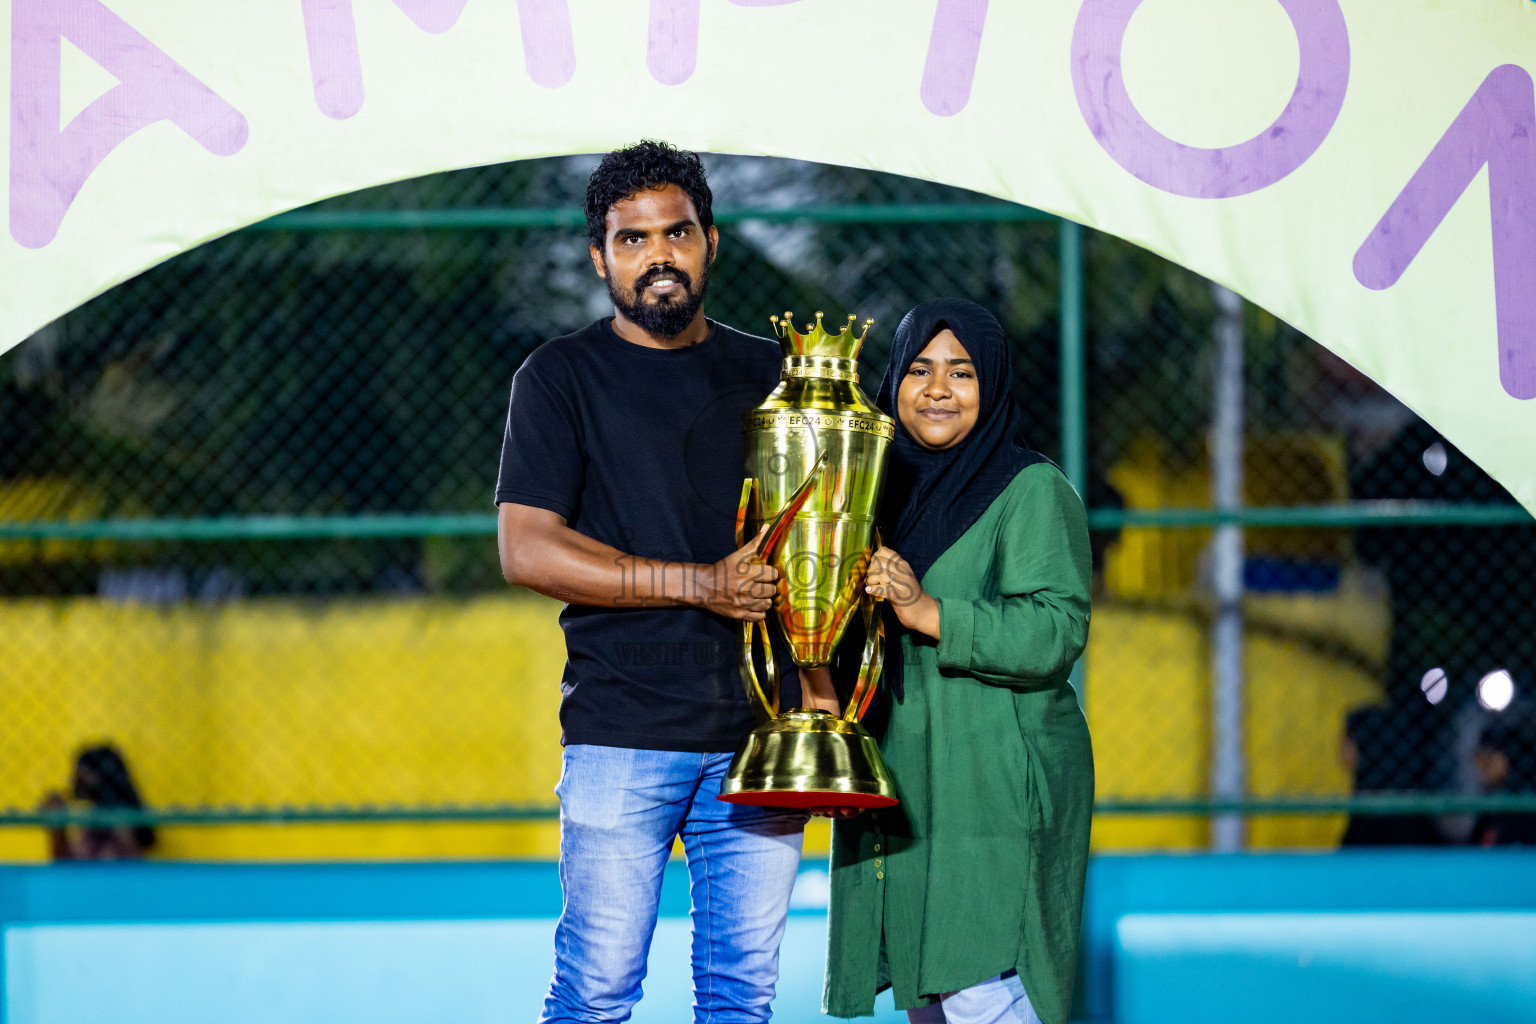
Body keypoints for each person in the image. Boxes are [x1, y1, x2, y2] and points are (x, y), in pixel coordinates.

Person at [495, 140, 830, 1023]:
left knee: (740, 998)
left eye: (676, 233)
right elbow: (527, 550)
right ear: (601, 256)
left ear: (710, 241)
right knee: (598, 991)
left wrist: (822, 687)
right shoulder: (559, 378)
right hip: (621, 730)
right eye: (633, 240)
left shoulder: (778, 375)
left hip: (761, 737)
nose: (659, 256)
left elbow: (815, 549)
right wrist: (698, 585)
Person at [818, 299, 1094, 1024]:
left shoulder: (1030, 488)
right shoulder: (868, 495)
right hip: (907, 778)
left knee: (984, 983)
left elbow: (1057, 630)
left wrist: (926, 612)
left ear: (992, 384)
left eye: (962, 372)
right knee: (930, 989)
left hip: (993, 782)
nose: (938, 388)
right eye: (920, 369)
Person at [40, 744, 156, 860]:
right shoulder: (89, 818)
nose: (75, 780)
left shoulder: (121, 821)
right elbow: (68, 862)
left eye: (83, 773)